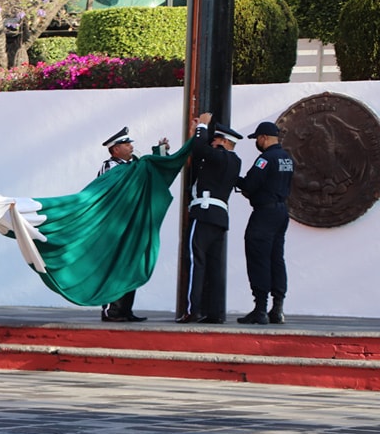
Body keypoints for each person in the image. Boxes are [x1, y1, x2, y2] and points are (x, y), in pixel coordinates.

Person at [96, 126, 169, 322]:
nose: (130, 146)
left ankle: (125, 310)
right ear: (115, 149)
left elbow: (151, 170)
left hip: (132, 224)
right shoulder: (110, 166)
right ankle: (111, 310)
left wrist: (161, 151)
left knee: (130, 265)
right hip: (116, 226)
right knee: (116, 265)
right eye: (126, 144)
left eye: (129, 143)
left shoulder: (135, 165)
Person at [177, 113, 243, 324]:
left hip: (203, 213)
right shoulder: (234, 161)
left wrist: (202, 126)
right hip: (219, 217)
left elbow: (199, 150)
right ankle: (215, 312)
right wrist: (197, 133)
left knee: (196, 261)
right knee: (214, 265)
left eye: (214, 140)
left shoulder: (220, 156)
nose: (211, 143)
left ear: (223, 142)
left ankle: (192, 309)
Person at [236, 121, 294, 325]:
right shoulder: (287, 158)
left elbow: (251, 184)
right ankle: (277, 308)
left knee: (258, 257)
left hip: (264, 214)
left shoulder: (265, 159)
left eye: (257, 139)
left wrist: (235, 179)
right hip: (281, 212)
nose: (257, 143)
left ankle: (260, 308)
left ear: (263, 138)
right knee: (276, 258)